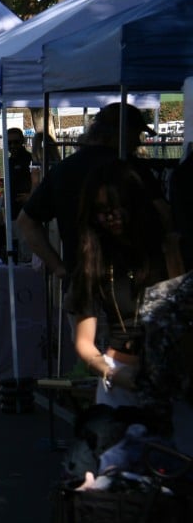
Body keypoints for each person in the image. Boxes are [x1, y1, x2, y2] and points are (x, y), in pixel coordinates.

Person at [69, 161, 178, 408]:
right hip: (120, 378)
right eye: (100, 210)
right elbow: (84, 342)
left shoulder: (168, 250)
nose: (110, 217)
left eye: (117, 206)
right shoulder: (95, 260)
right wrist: (112, 373)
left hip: (173, 379)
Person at [17, 103, 165, 281]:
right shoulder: (132, 168)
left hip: (81, 283)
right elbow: (164, 214)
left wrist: (58, 267)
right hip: (129, 281)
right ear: (122, 132)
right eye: (136, 134)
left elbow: (26, 222)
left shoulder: (64, 169)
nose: (138, 141)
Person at [5, 127, 32, 221]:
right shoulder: (9, 161)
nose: (12, 145)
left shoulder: (29, 159)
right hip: (12, 208)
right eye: (9, 143)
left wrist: (30, 195)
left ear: (22, 141)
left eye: (16, 142)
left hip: (26, 209)